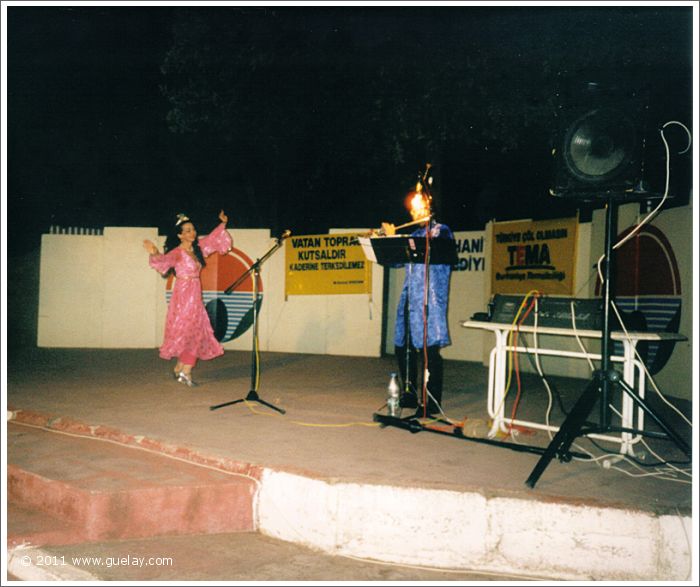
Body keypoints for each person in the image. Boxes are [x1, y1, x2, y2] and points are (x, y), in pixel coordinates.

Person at [381, 191, 453, 416]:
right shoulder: (413, 234)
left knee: (429, 351)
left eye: (419, 208)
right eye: (413, 210)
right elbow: (393, 262)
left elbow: (432, 251)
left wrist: (398, 238)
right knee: (403, 347)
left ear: (429, 209)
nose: (415, 212)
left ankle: (432, 401)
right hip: (409, 300)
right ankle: (409, 393)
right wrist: (385, 240)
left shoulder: (441, 230)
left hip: (428, 301)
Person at [143, 210, 232, 387]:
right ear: (180, 235)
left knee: (194, 332)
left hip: (195, 293)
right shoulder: (177, 253)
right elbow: (164, 261)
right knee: (193, 331)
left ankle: (180, 367)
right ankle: (186, 371)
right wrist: (154, 253)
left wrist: (223, 224)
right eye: (188, 230)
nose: (193, 233)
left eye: (193, 229)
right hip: (183, 296)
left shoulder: (197, 248)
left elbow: (213, 239)